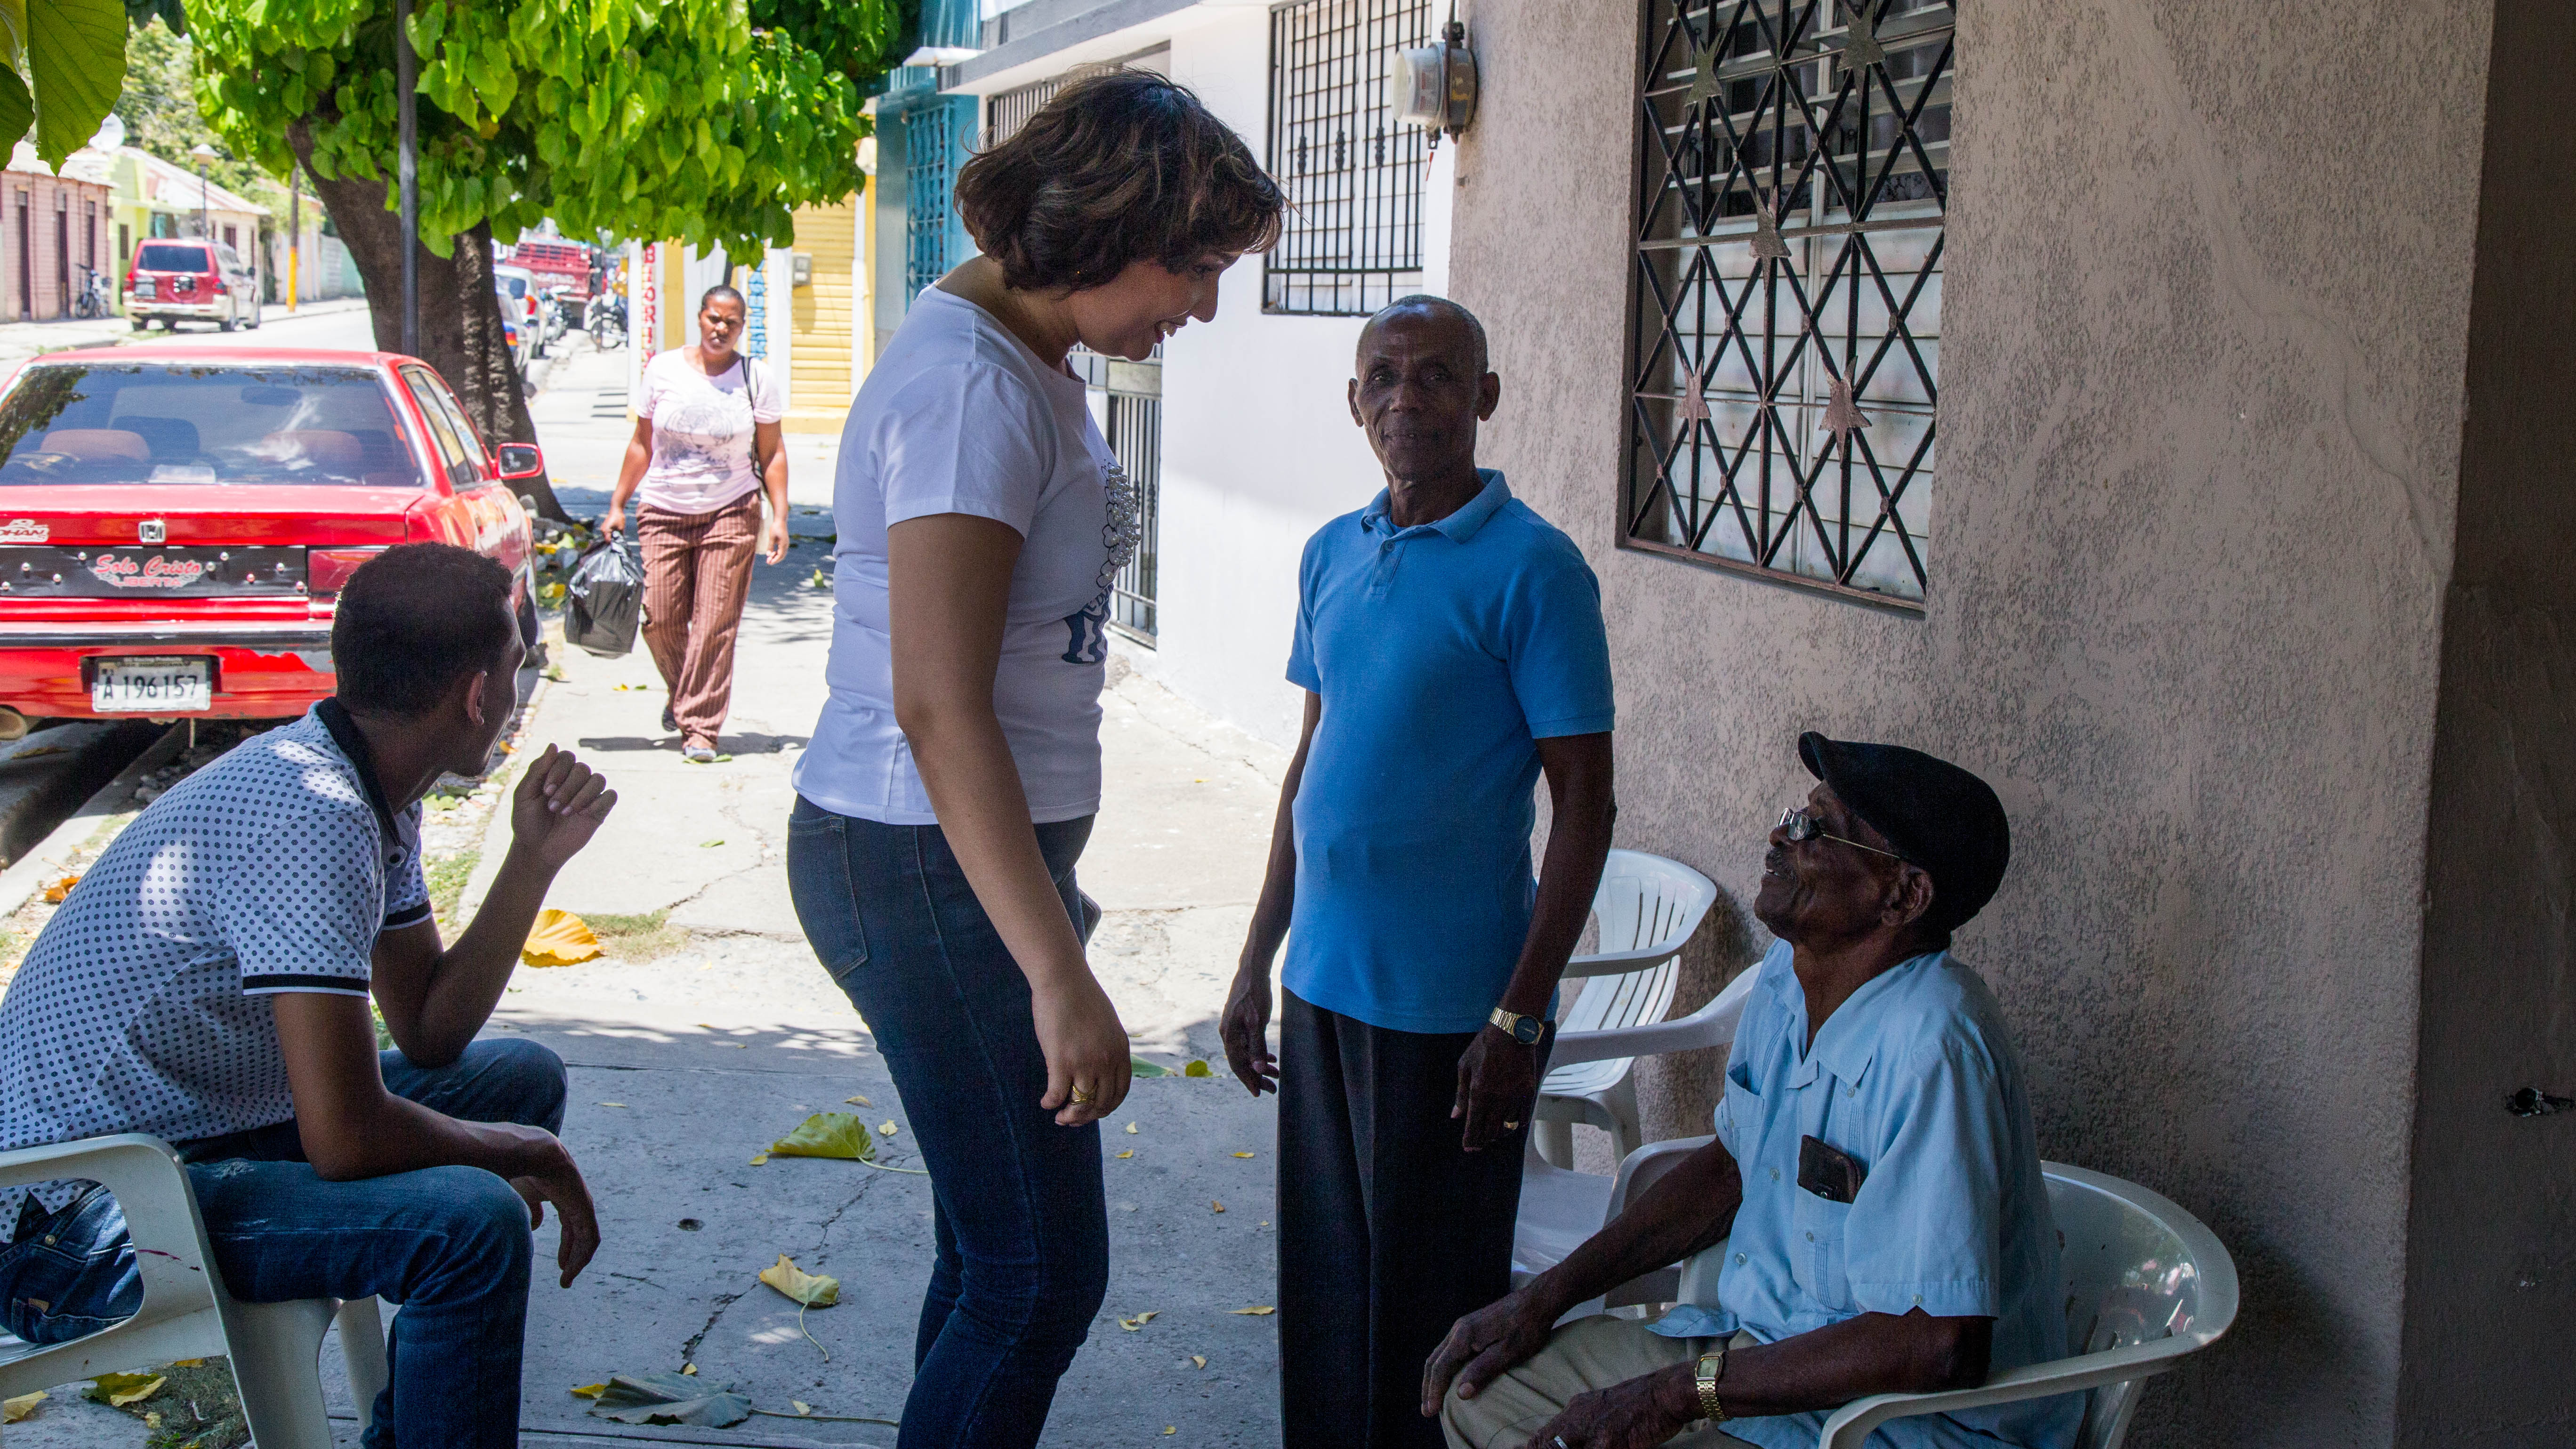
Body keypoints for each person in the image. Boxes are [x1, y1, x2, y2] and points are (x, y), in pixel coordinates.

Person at [784, 70, 1283, 1449]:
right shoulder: (970, 390)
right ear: (1105, 232)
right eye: (1194, 268)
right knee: (1041, 1274)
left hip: (952, 863)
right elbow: (938, 705)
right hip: (917, 857)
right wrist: (1057, 972)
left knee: (994, 1254)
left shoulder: (1023, 361)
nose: (1204, 307)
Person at [0, 544, 617, 1449]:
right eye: (517, 665)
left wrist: (532, 859)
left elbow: (430, 1029)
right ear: (477, 694)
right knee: (471, 1224)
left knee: (517, 1077)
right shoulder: (312, 815)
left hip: (195, 1140)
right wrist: (525, 1151)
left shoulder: (366, 783)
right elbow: (347, 1136)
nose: (520, 689)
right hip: (72, 1223)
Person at [1425, 733, 2082, 1449]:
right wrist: (1544, 1297)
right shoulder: (1786, 976)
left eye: (1817, 830)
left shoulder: (1936, 1046)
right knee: (1486, 1390)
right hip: (1759, 1355)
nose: (1780, 837)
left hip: (1895, 1426)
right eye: (1793, 816)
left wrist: (1680, 1394)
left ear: (1903, 895)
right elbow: (1731, 1169)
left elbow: (1938, 1343)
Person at [1219, 295, 1618, 1449]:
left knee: (1426, 1321)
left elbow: (1586, 807)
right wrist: (1254, 961)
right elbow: (1311, 765)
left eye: (1437, 376)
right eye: (1384, 377)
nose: (1408, 400)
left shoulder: (1535, 569)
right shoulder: (1330, 552)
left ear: (1484, 396)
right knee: (1326, 1296)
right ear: (1354, 402)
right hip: (1322, 985)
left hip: (1451, 1015)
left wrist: (1518, 1016)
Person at [604, 282, 789, 763]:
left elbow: (772, 453)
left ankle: (701, 728)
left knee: (714, 625)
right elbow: (642, 443)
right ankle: (684, 695)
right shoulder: (663, 369)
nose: (720, 328)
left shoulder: (756, 378)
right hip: (663, 510)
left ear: (742, 328)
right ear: (701, 317)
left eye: (731, 322)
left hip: (732, 510)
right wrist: (617, 503)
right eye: (714, 318)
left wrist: (780, 516)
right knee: (659, 618)